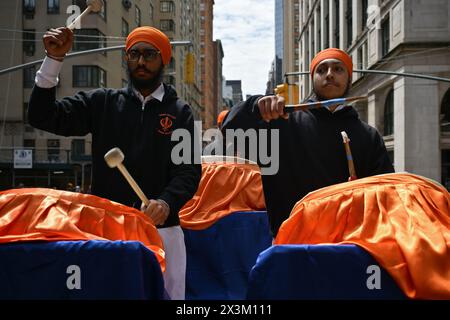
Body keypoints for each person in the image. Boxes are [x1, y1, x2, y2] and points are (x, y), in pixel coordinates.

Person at [28, 26, 201, 299]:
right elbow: (42, 116)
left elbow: (188, 171)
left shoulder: (181, 113)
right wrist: (53, 60)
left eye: (149, 54)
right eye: (134, 54)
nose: (141, 62)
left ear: (163, 59)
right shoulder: (102, 103)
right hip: (106, 231)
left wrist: (166, 202)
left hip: (163, 232)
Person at [222, 48, 394, 236]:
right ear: (312, 79)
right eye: (322, 70)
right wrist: (256, 106)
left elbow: (386, 196)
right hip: (292, 243)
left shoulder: (369, 136)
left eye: (338, 69)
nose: (329, 75)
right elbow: (231, 129)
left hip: (349, 245)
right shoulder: (282, 124)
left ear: (349, 78)